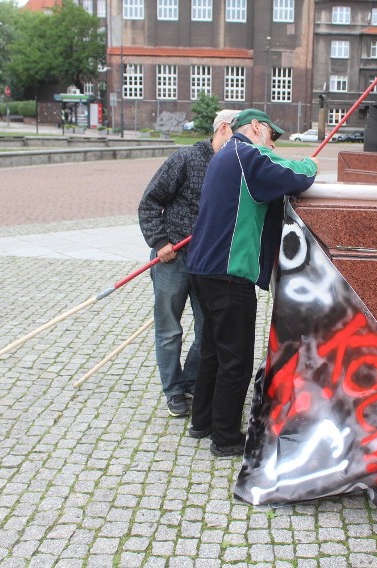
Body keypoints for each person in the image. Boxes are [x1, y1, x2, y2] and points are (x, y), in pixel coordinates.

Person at [186, 109, 319, 457]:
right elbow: (294, 175)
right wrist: (310, 164)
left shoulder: (224, 155)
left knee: (213, 350)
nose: (273, 145)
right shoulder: (248, 152)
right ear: (257, 128)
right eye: (272, 138)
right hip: (229, 272)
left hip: (202, 268)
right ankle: (226, 437)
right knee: (236, 359)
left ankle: (201, 422)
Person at [138, 109, 240, 418]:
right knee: (169, 328)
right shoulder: (185, 159)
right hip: (172, 258)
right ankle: (173, 390)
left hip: (207, 262)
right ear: (223, 129)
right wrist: (159, 243)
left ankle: (192, 380)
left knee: (207, 326)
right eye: (239, 134)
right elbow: (150, 202)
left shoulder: (237, 166)